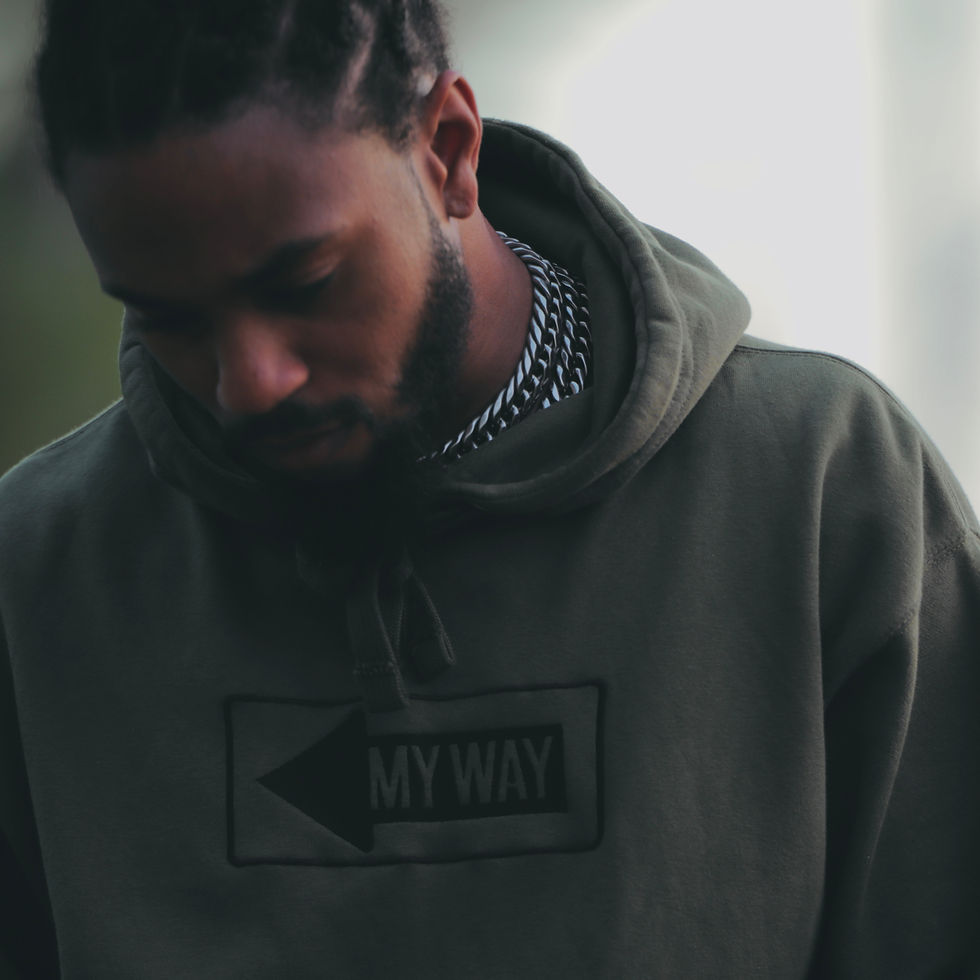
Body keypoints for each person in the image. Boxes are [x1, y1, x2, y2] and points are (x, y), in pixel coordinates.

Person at [2, 0, 978, 976]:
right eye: (170, 319)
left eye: (304, 284)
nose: (250, 383)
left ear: (449, 150)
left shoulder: (823, 495)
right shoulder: (40, 579)